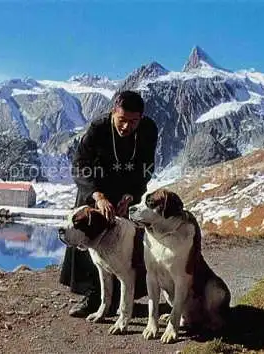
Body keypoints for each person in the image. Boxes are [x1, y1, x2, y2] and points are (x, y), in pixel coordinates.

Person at [59, 90, 159, 317]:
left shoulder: (148, 129)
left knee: (129, 243)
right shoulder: (98, 128)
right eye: (122, 120)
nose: (126, 127)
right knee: (89, 235)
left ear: (141, 118)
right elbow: (79, 164)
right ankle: (93, 297)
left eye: (133, 122)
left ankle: (128, 298)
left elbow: (147, 166)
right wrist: (98, 195)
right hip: (95, 186)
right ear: (114, 112)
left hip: (128, 187)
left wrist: (131, 195)